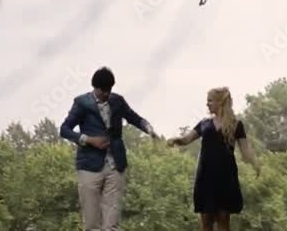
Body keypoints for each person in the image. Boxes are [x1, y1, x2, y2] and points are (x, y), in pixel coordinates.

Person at [60, 67, 161, 231]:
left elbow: (134, 118)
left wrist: (149, 129)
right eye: (104, 90)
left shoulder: (117, 101)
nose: (107, 94)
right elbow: (64, 130)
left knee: (112, 224)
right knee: (91, 223)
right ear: (95, 87)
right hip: (89, 166)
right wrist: (89, 140)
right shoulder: (81, 103)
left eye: (110, 89)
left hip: (115, 164)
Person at [168, 87, 261, 231]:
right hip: (205, 176)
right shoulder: (204, 124)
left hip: (226, 177)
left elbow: (245, 149)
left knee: (223, 220)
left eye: (210, 101)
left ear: (220, 102)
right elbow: (186, 139)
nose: (207, 104)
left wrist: (255, 164)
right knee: (206, 222)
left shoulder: (236, 125)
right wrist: (176, 140)